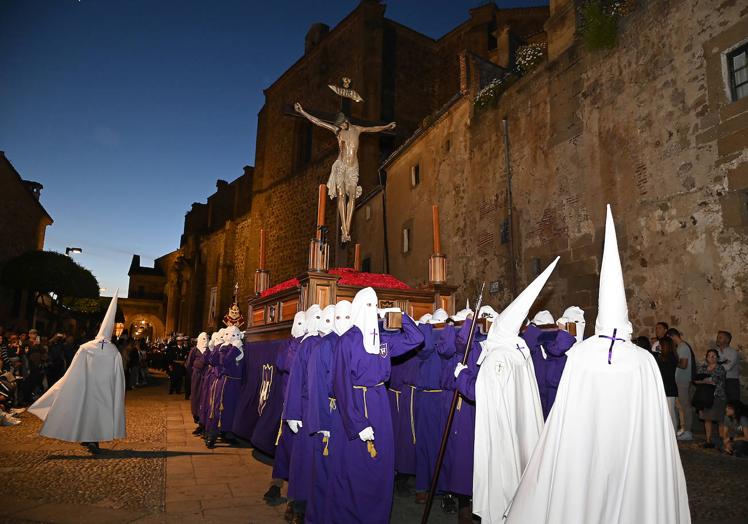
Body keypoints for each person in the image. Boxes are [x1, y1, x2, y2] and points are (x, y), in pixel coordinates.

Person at [505, 206, 690, 524]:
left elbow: (564, 421)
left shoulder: (582, 355)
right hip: (633, 459)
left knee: (583, 495)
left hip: (585, 457)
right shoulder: (643, 361)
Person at [456, 258, 556, 524]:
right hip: (518, 425)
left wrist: (461, 375)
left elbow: (479, 392)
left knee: (503, 480)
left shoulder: (499, 358)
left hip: (502, 431)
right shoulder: (519, 352)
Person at [327, 287, 424, 524]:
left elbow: (417, 338)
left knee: (382, 464)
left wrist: (399, 314)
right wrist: (357, 423)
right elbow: (341, 384)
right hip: (357, 405)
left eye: (375, 305)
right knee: (357, 467)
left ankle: (378, 517)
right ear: (359, 308)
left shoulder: (383, 340)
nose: (372, 310)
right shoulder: (347, 341)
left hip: (381, 403)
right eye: (367, 305)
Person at [27, 292, 126, 454]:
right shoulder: (113, 350)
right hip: (104, 389)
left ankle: (88, 438)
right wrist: (117, 390)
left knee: (84, 410)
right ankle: (91, 439)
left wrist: (68, 382)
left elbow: (74, 368)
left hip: (86, 386)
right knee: (97, 413)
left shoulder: (86, 347)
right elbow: (119, 375)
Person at [284, 304, 324, 523]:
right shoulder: (306, 344)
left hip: (323, 408)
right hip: (308, 408)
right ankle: (298, 504)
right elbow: (296, 380)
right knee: (304, 459)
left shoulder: (326, 342)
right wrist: (293, 412)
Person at [264, 312, 306, 509]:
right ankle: (277, 483)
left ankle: (297, 495)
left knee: (301, 452)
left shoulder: (313, 344)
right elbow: (284, 363)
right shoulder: (289, 343)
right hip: (289, 403)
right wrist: (296, 343)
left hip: (306, 406)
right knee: (284, 447)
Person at [694, 348, 726, 449]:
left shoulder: (720, 368)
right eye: (709, 356)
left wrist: (703, 380)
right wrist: (704, 380)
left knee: (720, 419)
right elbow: (695, 380)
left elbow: (714, 380)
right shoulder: (702, 367)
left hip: (717, 396)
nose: (711, 358)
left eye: (714, 356)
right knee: (707, 419)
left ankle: (722, 441)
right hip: (705, 397)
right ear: (706, 358)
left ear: (717, 358)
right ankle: (708, 440)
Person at [667, 328, 695, 441]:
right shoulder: (680, 347)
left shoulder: (683, 347)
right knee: (680, 406)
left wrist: (671, 361)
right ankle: (682, 429)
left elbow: (683, 365)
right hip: (678, 380)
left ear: (672, 336)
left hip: (682, 381)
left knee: (685, 406)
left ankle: (688, 431)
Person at [656, 336, 679, 433]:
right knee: (665, 412)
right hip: (665, 387)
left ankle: (673, 433)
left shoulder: (670, 358)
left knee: (670, 413)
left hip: (668, 388)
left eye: (660, 345)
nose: (659, 346)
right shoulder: (665, 357)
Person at [716, 330, 740, 402]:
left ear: (727, 340)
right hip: (719, 381)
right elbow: (708, 364)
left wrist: (715, 365)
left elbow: (728, 367)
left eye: (720, 337)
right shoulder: (715, 351)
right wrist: (723, 363)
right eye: (717, 337)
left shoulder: (733, 352)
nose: (717, 339)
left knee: (733, 405)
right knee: (720, 405)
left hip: (731, 382)